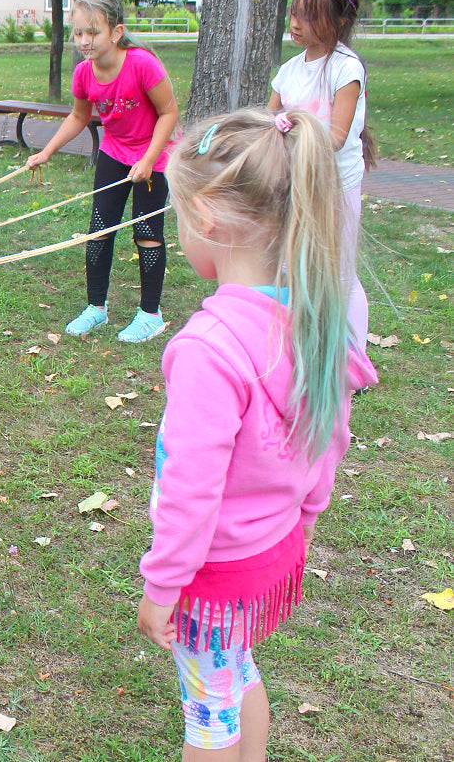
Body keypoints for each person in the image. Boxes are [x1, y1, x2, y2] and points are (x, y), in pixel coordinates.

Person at [137, 108, 377, 760]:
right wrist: (306, 514)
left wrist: (162, 584)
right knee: (237, 673)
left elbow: (192, 483)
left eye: (180, 217)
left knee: (208, 716)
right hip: (272, 550)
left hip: (212, 571)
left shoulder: (210, 348)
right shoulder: (313, 319)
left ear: (208, 219)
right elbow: (332, 435)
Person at [26, 0, 179, 342]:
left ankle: (150, 315)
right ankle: (97, 308)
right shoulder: (84, 73)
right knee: (99, 229)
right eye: (78, 33)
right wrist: (47, 151)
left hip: (153, 156)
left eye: (92, 32)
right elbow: (79, 116)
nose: (83, 41)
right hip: (114, 153)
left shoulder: (142, 64)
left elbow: (169, 113)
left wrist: (149, 160)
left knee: (148, 235)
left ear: (115, 32)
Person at [269, 0, 376, 352]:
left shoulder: (346, 69)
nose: (296, 24)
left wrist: (291, 126)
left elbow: (335, 137)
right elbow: (267, 121)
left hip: (336, 185)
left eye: (309, 17)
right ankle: (303, 346)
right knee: (293, 265)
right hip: (297, 181)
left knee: (339, 272)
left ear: (340, 21)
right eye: (294, 13)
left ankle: (352, 358)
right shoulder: (289, 70)